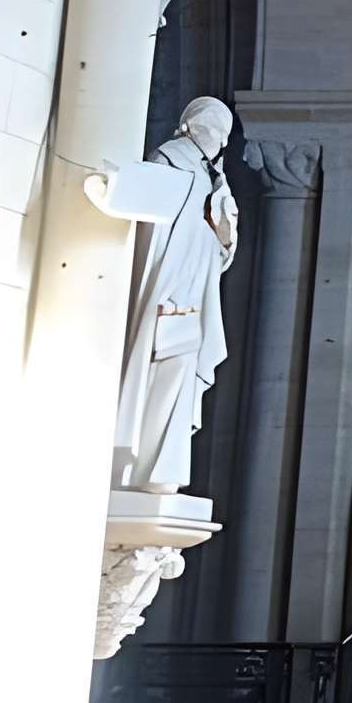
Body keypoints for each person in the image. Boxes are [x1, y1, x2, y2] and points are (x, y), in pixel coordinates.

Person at [99, 98, 241, 492]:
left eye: (226, 135)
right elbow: (147, 226)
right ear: (194, 126)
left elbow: (222, 244)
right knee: (154, 367)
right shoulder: (167, 161)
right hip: (167, 285)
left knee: (181, 373)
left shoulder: (215, 177)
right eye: (216, 129)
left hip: (196, 291)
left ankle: (163, 471)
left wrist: (225, 235)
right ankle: (132, 468)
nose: (221, 141)